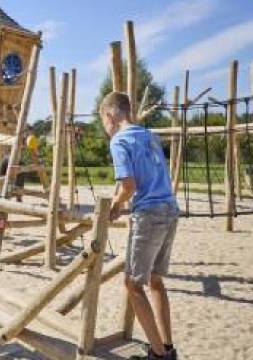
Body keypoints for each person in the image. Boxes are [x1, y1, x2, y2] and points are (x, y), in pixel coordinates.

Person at [101, 92, 179, 360]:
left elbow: (128, 186)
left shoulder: (119, 140)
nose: (106, 128)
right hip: (170, 209)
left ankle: (157, 354)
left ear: (110, 115)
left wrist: (115, 205)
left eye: (104, 122)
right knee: (155, 281)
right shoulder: (150, 136)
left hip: (149, 214)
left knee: (133, 285)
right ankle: (167, 347)